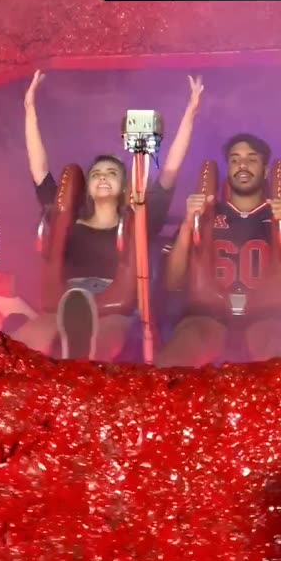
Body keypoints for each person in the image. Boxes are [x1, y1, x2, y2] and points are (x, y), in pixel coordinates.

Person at [24, 70, 203, 361]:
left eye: (111, 173)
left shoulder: (138, 220)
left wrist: (190, 113)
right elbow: (39, 170)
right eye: (97, 174)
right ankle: (66, 349)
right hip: (69, 298)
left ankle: (81, 354)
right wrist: (29, 109)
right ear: (88, 187)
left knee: (106, 339)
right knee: (29, 340)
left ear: (123, 187)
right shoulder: (68, 219)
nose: (103, 177)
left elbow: (169, 172)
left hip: (115, 305)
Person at [157, 133, 281, 367]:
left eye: (251, 159)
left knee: (276, 353)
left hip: (270, 316)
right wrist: (188, 222)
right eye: (235, 159)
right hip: (207, 315)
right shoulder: (206, 213)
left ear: (265, 170)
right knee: (177, 357)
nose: (242, 165)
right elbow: (172, 281)